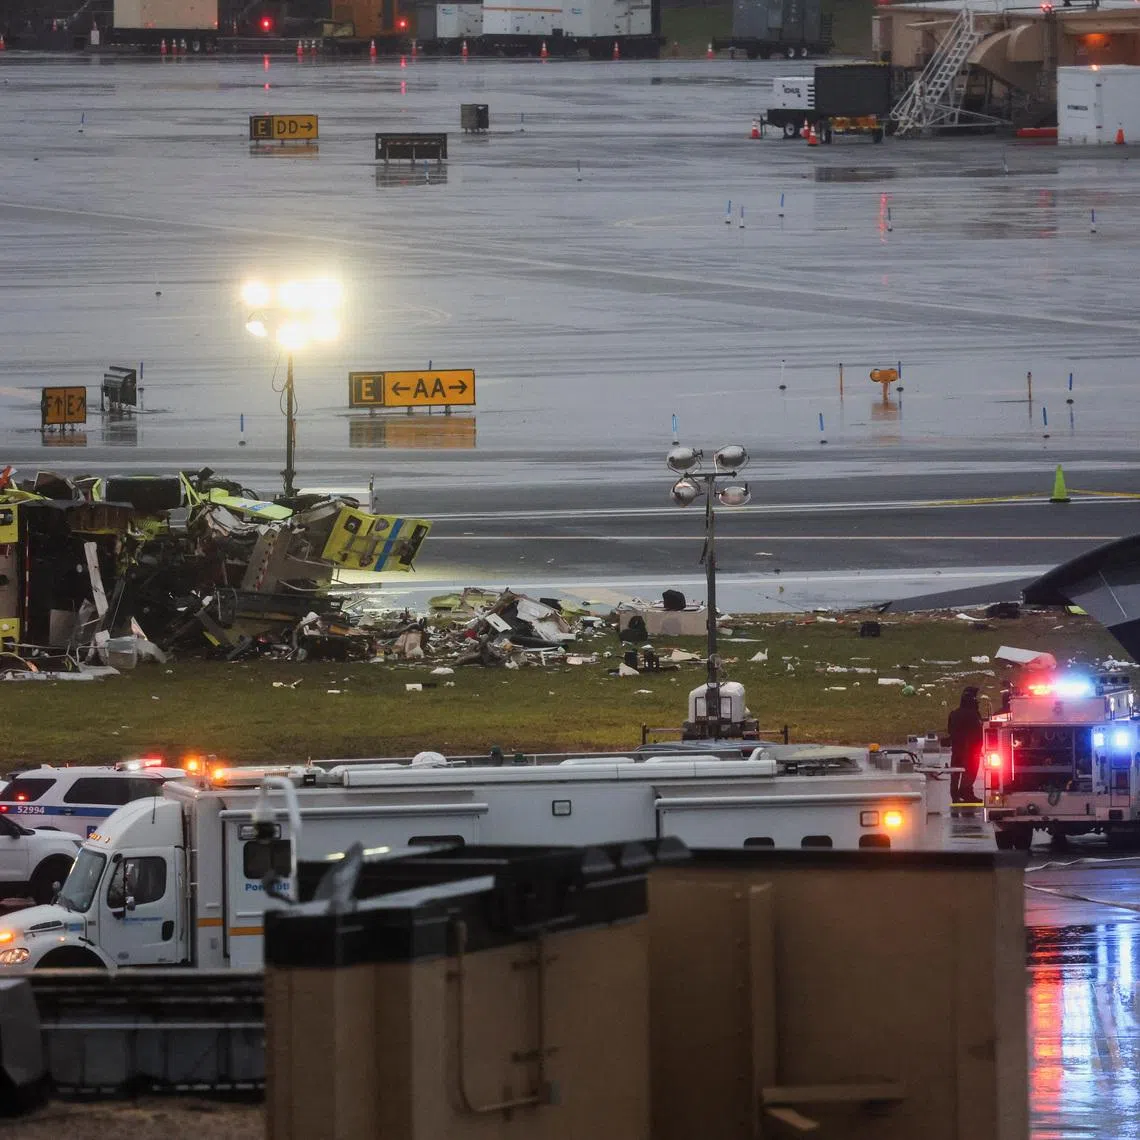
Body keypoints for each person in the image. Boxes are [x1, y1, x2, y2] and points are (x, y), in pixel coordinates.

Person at [948, 686, 984, 803]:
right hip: (971, 748)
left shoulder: (954, 714)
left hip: (956, 748)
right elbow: (978, 732)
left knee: (955, 770)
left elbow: (950, 730)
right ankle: (966, 791)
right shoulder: (973, 715)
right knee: (970, 770)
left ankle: (954, 793)